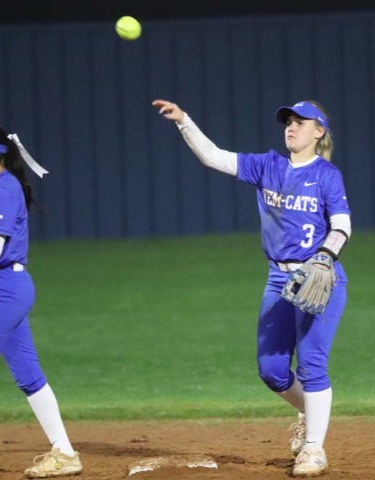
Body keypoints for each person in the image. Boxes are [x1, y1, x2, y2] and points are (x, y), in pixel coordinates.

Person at [152, 98, 351, 477]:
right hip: (278, 279)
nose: (291, 127)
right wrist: (183, 120)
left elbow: (342, 224)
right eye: (288, 121)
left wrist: (326, 256)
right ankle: (308, 415)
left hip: (319, 276)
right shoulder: (267, 165)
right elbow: (212, 157)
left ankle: (314, 449)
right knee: (271, 370)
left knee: (311, 365)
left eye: (300, 122)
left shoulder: (327, 175)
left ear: (318, 131)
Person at [0, 120, 83, 478]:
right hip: (1, 288)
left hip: (2, 289)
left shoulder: (3, 189)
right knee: (29, 376)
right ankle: (65, 453)